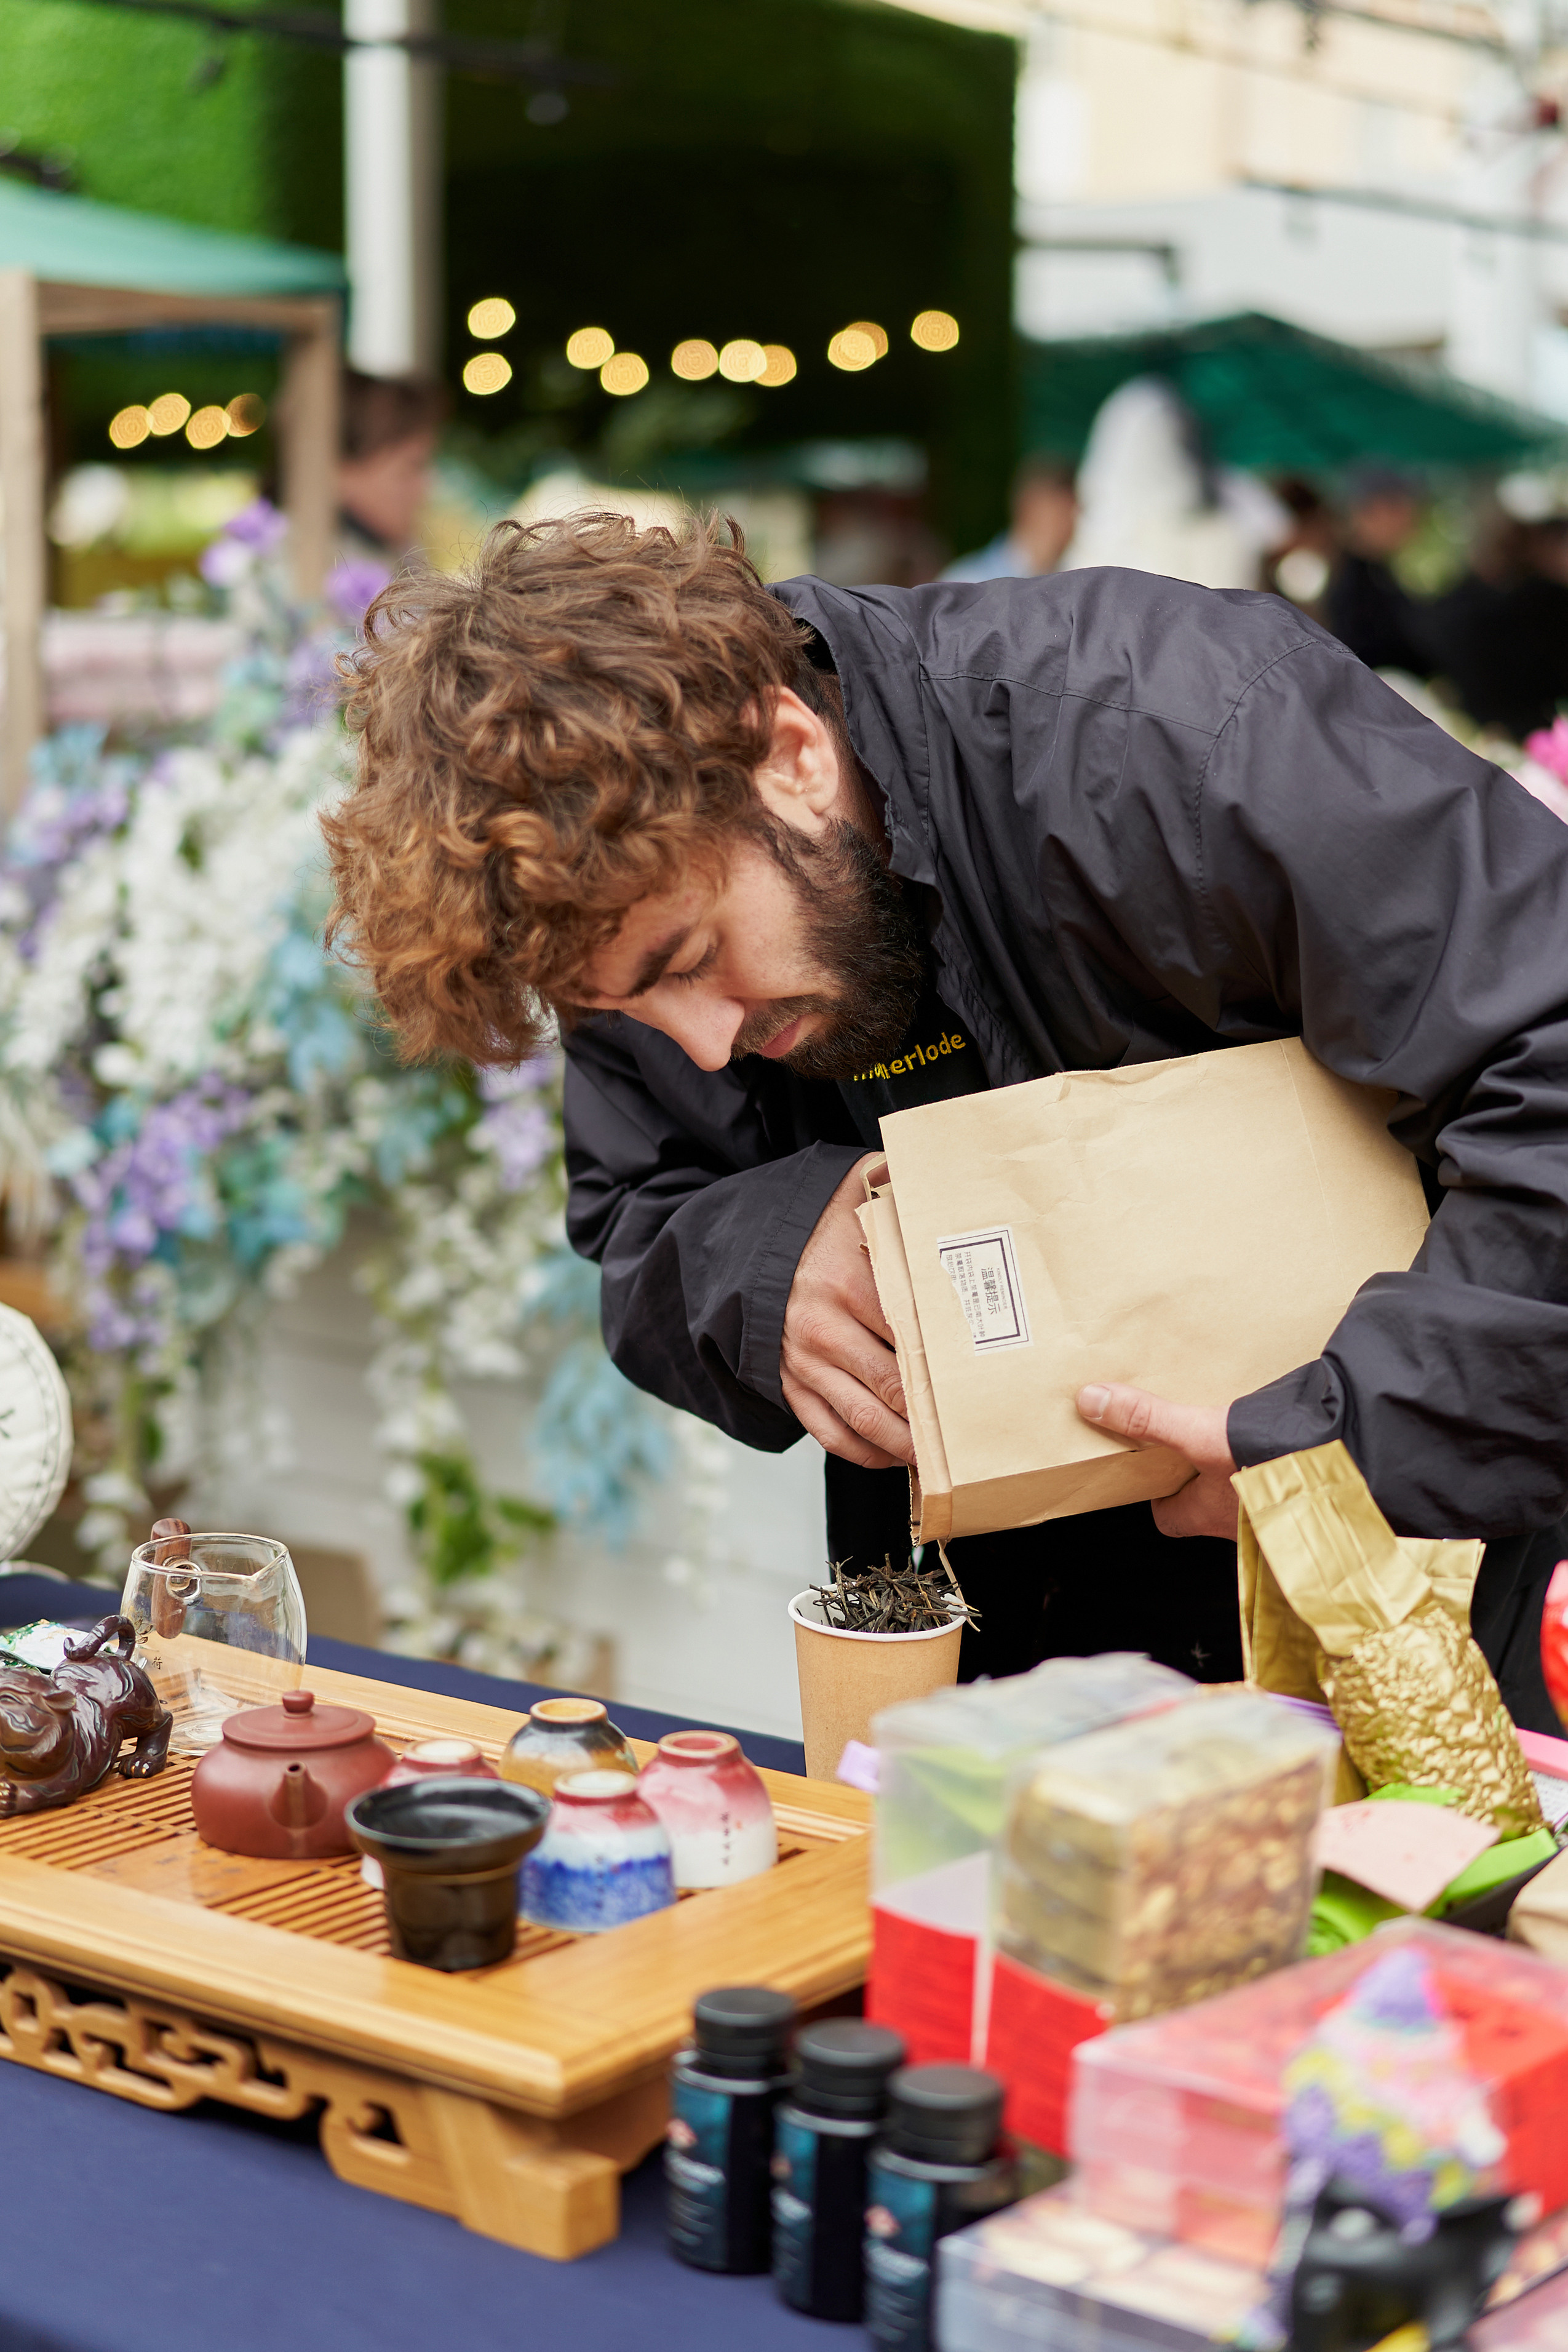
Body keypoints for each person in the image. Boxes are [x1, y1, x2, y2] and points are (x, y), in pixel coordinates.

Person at [324, 512, 1568, 1726]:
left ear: (791, 758)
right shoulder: (617, 903)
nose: (700, 1043)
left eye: (689, 959)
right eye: (625, 1009)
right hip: (996, 1672)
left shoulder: (1177, 726)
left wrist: (1339, 1438)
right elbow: (638, 1217)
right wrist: (764, 1266)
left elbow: (1547, 1054)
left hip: (1420, 1591)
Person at [1322, 467, 1434, 680]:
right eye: (1396, 509)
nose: (1409, 521)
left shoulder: (1377, 574)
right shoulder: (1353, 581)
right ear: (1368, 512)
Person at [335, 371, 449, 561]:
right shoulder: (301, 568)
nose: (425, 488)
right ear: (342, 471)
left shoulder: (404, 556)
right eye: (411, 468)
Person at [942, 458, 1078, 583]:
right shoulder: (967, 581)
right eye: (1060, 517)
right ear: (1029, 509)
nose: (1070, 528)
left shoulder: (1070, 579)